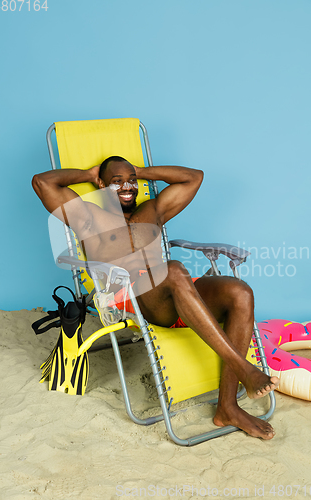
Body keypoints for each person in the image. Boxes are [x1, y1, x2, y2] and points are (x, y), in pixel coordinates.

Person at [32, 156, 279, 439]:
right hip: (133, 299)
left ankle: (227, 407)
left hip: (175, 292)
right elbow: (42, 182)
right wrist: (89, 173)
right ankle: (243, 367)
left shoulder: (153, 210)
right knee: (173, 270)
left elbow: (193, 177)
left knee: (240, 291)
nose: (127, 186)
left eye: (131, 181)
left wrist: (138, 171)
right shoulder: (88, 217)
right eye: (117, 181)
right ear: (100, 184)